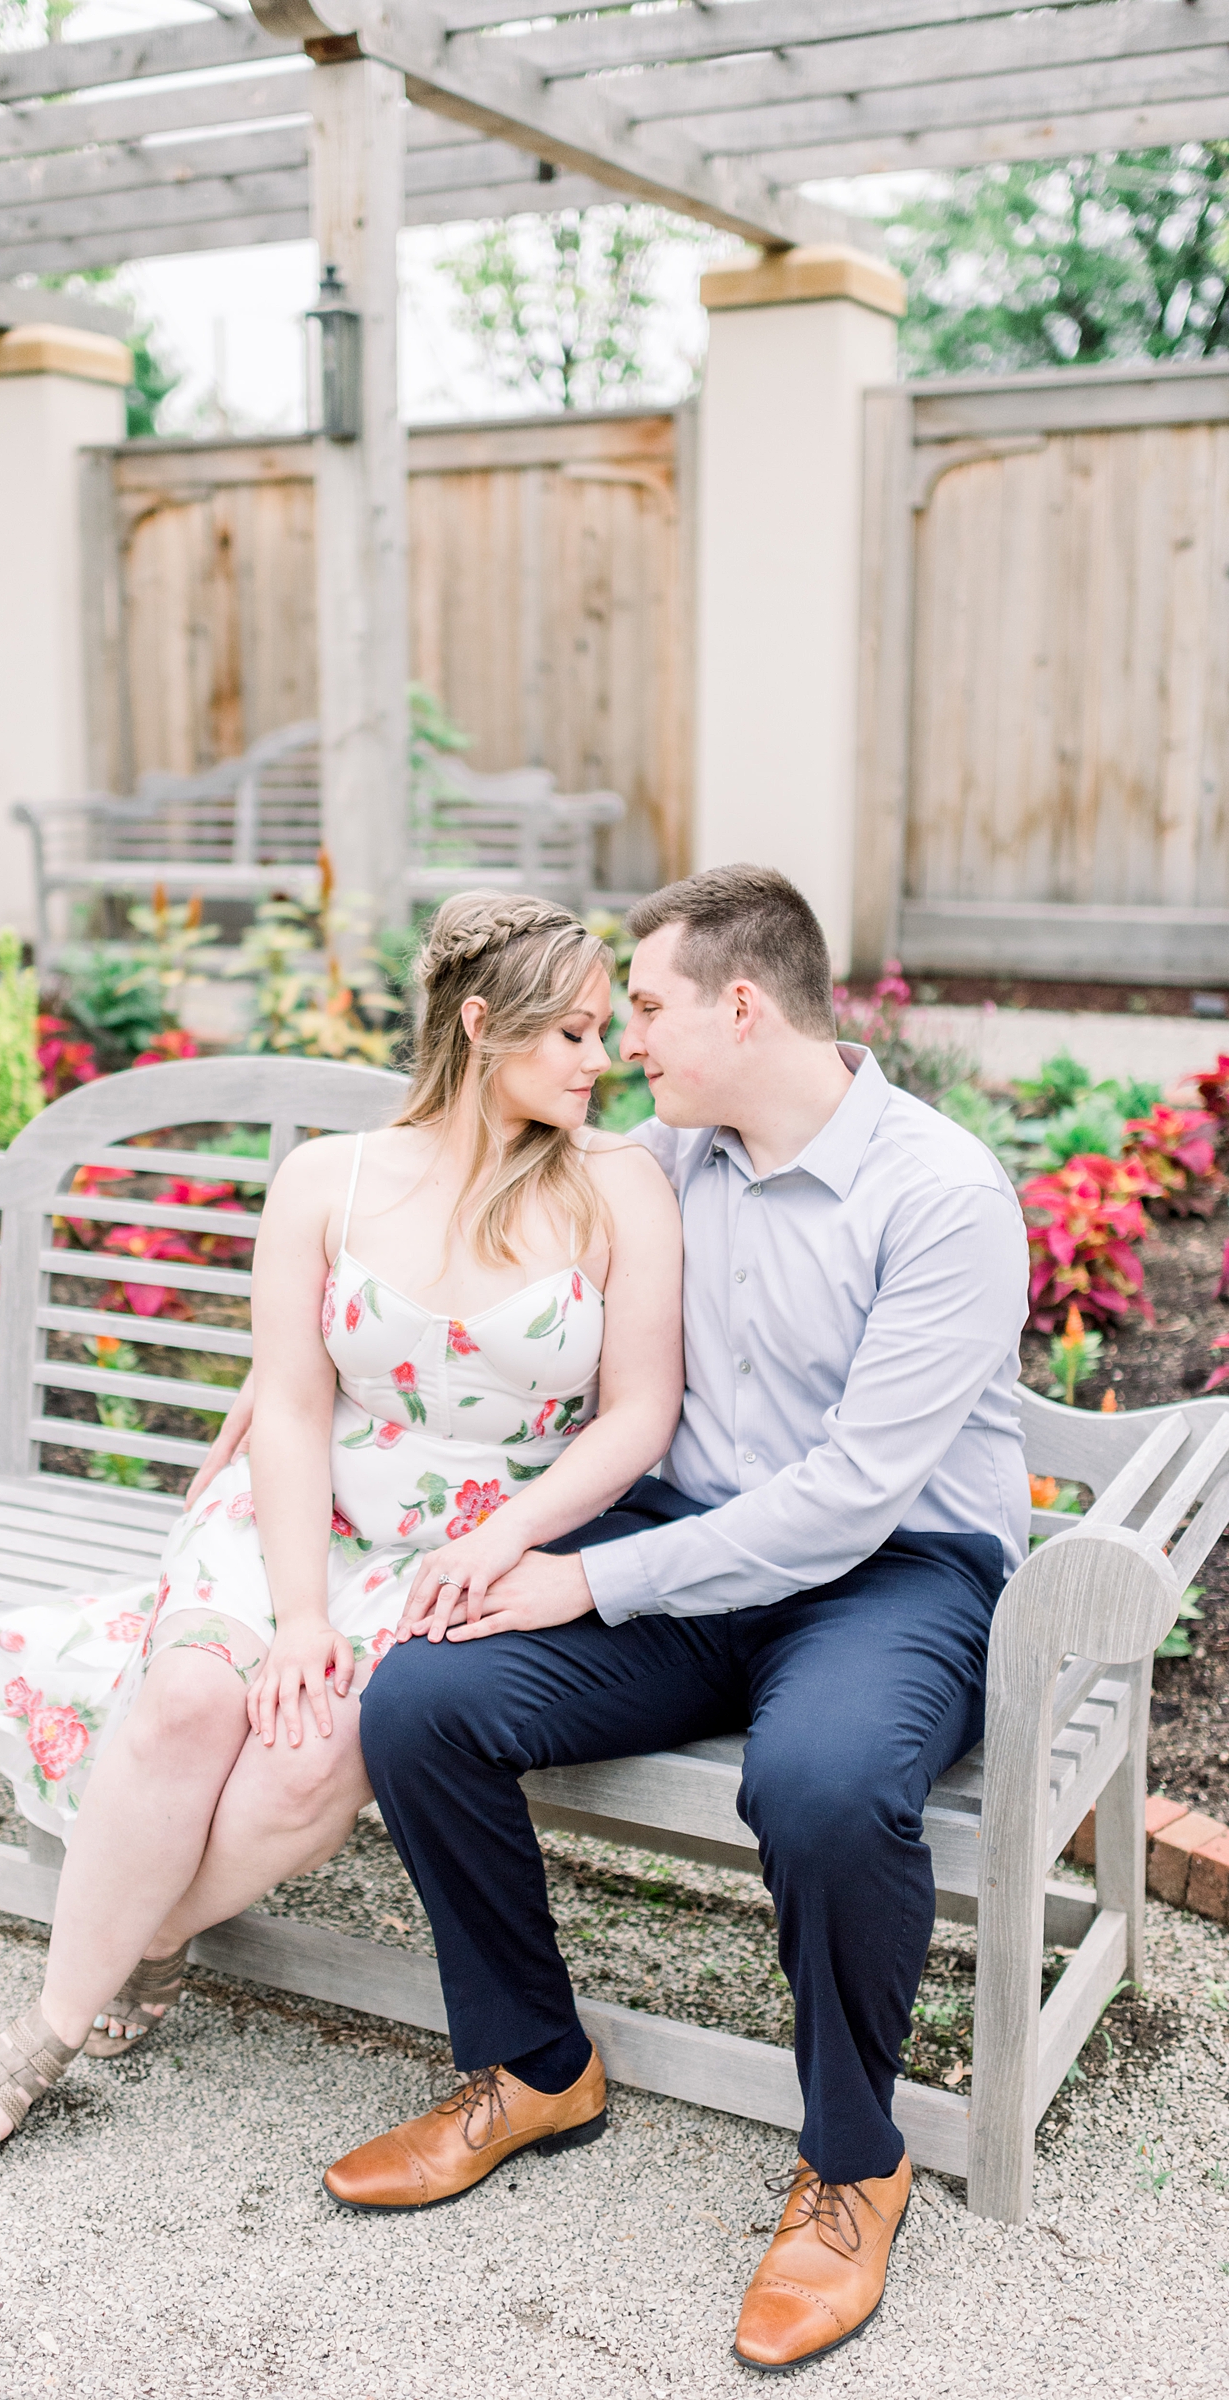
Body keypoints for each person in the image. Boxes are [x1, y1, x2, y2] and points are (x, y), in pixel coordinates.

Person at [205, 864, 1029, 2374]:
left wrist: (581, 1575)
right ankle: (532, 2067)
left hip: (891, 1576)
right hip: (688, 1557)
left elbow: (850, 1498)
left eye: (639, 1007)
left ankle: (852, 2166)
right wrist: (281, 1379)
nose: (615, 1038)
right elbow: (449, 1228)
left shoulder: (941, 1197)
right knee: (420, 1702)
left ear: (736, 1003)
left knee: (823, 1786)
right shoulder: (665, 1156)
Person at [0, 891, 685, 2173]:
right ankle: (47, 2033)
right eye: (577, 1036)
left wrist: (510, 1540)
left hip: (467, 1549)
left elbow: (640, 1414)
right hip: (300, 1511)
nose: (605, 1062)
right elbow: (293, 1402)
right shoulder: (330, 1180)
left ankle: (147, 1938)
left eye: (609, 1035)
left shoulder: (618, 1186)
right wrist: (303, 1615)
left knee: (304, 1762)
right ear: (483, 1028)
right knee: (188, 1709)